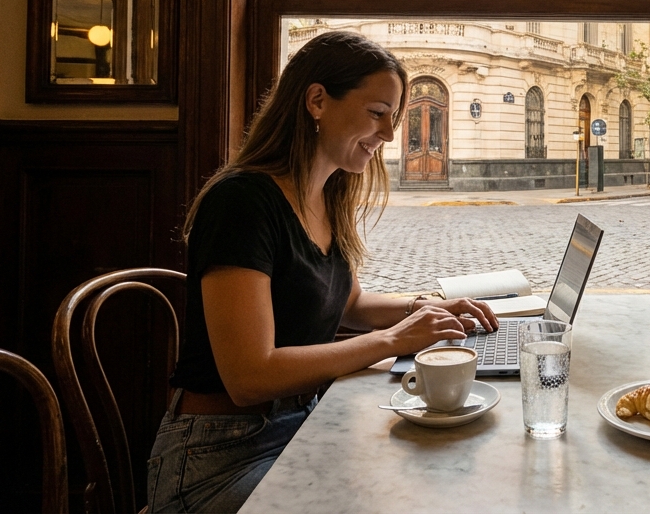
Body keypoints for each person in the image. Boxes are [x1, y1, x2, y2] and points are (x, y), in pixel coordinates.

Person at [147, 31, 497, 512]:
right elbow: (250, 376)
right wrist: (395, 339)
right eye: (377, 113)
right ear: (317, 100)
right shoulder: (241, 202)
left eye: (393, 117)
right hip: (219, 453)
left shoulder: (330, 196)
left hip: (303, 420)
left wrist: (424, 309)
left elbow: (350, 305)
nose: (391, 135)